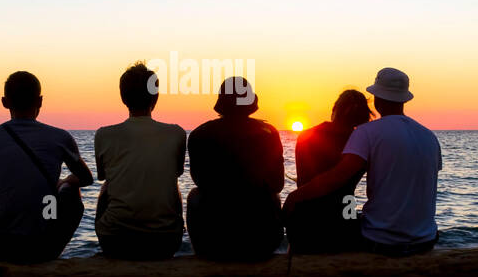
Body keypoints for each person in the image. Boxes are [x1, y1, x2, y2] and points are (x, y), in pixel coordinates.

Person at [284, 67, 441, 256]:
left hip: (381, 242)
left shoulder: (366, 134)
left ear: (376, 98)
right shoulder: (429, 136)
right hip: (426, 240)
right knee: (349, 214)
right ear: (405, 99)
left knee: (343, 220)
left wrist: (294, 197)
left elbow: (336, 178)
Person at [0, 70, 93, 263]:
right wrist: (63, 182)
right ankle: (53, 253)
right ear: (40, 101)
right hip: (43, 247)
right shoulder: (60, 137)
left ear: (4, 102)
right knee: (72, 191)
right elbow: (86, 179)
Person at [93, 62, 187, 259]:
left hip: (115, 241)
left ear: (123, 97)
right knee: (175, 185)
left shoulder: (104, 135)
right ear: (155, 97)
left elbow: (104, 177)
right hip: (165, 242)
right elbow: (176, 173)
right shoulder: (176, 133)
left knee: (106, 186)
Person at [185, 77, 284, 261]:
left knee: (194, 195)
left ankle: (201, 254)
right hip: (260, 242)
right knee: (274, 196)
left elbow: (200, 181)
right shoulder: (269, 133)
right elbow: (278, 184)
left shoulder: (200, 134)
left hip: (213, 241)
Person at [284, 89, 373, 253]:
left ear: (335, 109)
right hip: (343, 223)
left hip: (306, 224)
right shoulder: (362, 144)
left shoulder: (307, 136)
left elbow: (304, 180)